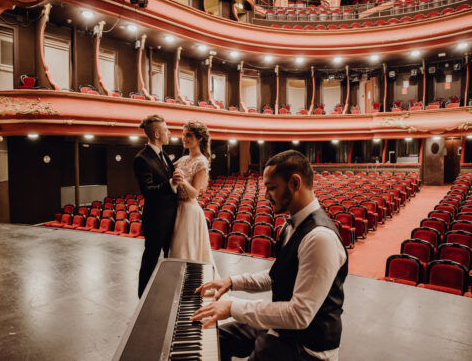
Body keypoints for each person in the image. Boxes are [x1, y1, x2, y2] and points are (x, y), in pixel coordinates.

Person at [191, 150, 348, 361]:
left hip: (308, 347)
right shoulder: (291, 226)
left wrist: (232, 307)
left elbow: (299, 315)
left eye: (271, 188)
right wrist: (231, 282)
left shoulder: (320, 238)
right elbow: (278, 276)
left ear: (294, 183)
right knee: (215, 337)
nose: (266, 196)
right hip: (282, 329)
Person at [133, 114, 184, 298]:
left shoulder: (164, 155)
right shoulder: (142, 158)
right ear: (156, 133)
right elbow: (148, 190)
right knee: (150, 261)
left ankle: (166, 293)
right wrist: (170, 183)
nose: (169, 132)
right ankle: (143, 297)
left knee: (169, 259)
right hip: (156, 221)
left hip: (171, 218)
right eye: (166, 130)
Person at [169, 120, 216, 268]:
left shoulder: (201, 162)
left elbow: (194, 193)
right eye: (183, 135)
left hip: (189, 212)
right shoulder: (183, 160)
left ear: (199, 138)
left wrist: (182, 181)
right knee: (175, 251)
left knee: (184, 251)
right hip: (176, 210)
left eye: (188, 135)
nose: (184, 138)